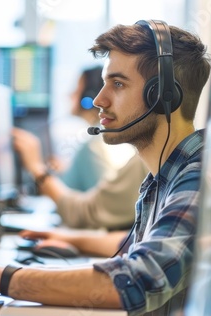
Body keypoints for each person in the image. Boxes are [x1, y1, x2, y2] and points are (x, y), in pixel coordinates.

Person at [0, 19, 211, 316]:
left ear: (162, 95)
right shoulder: (164, 177)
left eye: (118, 84)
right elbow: (146, 247)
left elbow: (140, 280)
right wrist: (68, 240)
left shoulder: (199, 179)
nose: (99, 99)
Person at [12, 65, 148, 230]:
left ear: (88, 97)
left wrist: (36, 168)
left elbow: (99, 211)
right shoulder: (99, 141)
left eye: (76, 89)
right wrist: (68, 172)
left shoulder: (98, 145)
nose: (70, 95)